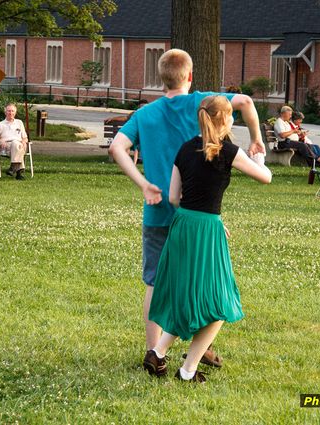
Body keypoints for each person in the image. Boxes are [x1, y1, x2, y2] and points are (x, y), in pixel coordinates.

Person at [108, 49, 265, 370]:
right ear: (190, 76)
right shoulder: (203, 103)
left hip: (158, 211)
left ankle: (156, 351)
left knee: (156, 282)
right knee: (202, 279)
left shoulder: (145, 114)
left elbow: (116, 147)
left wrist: (143, 183)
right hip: (197, 212)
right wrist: (257, 138)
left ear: (160, 77)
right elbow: (247, 102)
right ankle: (197, 345)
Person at [147, 96, 272, 382]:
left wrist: (206, 217)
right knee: (219, 303)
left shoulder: (185, 148)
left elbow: (173, 197)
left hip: (183, 226)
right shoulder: (228, 151)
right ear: (226, 119)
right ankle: (188, 371)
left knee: (191, 297)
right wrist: (259, 153)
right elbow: (265, 177)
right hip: (206, 230)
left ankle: (158, 352)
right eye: (232, 118)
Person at [0, 103, 28, 180]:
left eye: (12, 111)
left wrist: (24, 141)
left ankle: (13, 167)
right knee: (16, 144)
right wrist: (0, 140)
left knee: (17, 144)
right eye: (8, 111)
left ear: (15, 112)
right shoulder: (0, 124)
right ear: (5, 112)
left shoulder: (19, 122)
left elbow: (25, 138)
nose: (11, 113)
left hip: (19, 144)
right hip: (6, 146)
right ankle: (18, 172)